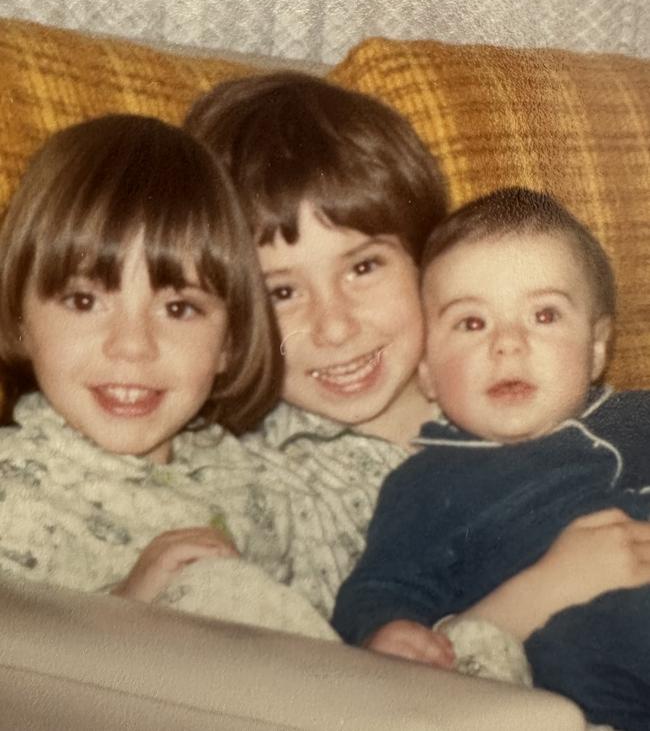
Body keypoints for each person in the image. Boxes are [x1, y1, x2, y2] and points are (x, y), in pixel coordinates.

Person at [185, 74, 650, 658]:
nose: (335, 325)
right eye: (281, 293)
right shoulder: (274, 495)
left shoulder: (546, 382)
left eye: (362, 268)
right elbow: (355, 683)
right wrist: (538, 597)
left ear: (426, 258)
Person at [331, 187, 650, 729]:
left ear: (596, 348)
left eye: (544, 315)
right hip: (586, 676)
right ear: (427, 371)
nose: (507, 344)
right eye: (472, 324)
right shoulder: (427, 483)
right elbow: (381, 586)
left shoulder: (635, 416)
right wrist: (383, 629)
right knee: (574, 652)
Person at [0, 114, 285, 605]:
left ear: (230, 343)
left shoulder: (260, 485)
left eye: (179, 309)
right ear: (19, 318)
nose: (132, 346)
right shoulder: (13, 490)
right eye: (84, 301)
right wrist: (124, 608)